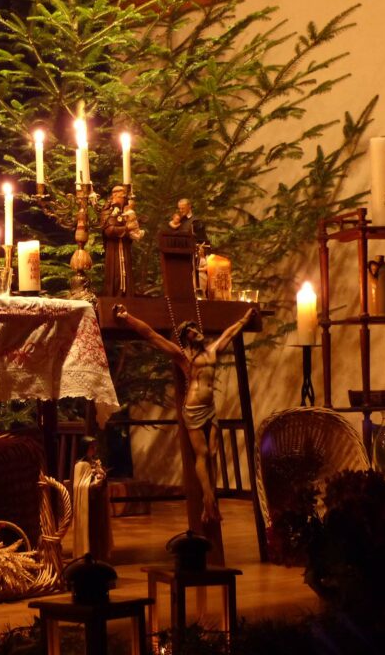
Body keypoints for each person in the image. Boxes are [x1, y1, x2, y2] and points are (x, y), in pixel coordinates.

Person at [112, 305, 255, 523]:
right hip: (193, 409)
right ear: (185, 338)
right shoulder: (183, 356)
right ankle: (208, 500)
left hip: (210, 408)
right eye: (190, 331)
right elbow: (151, 335)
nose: (196, 332)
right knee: (202, 453)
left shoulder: (212, 351)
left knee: (214, 452)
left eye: (196, 329)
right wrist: (127, 317)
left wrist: (245, 319)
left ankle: (211, 497)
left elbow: (229, 333)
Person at [72, 436, 113, 562]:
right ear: (85, 448)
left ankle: (100, 555)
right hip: (88, 507)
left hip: (98, 505)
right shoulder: (81, 465)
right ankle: (89, 556)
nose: (94, 449)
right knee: (91, 533)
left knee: (99, 531)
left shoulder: (95, 463)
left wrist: (102, 479)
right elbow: (79, 486)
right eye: (91, 447)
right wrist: (93, 484)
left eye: (95, 447)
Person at [100, 185, 143, 296]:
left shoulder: (127, 211)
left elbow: (133, 226)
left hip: (124, 246)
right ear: (114, 196)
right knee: (115, 273)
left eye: (124, 197)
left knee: (126, 272)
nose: (124, 199)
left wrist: (133, 231)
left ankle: (127, 295)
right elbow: (109, 231)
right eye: (121, 197)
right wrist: (126, 228)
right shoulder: (107, 212)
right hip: (113, 248)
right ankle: (114, 295)